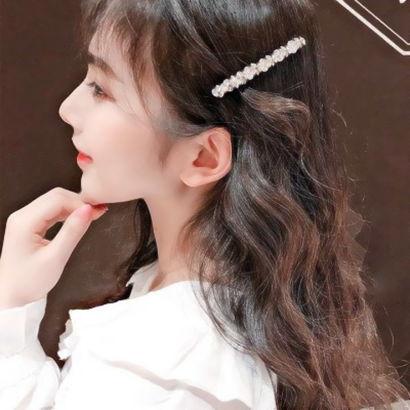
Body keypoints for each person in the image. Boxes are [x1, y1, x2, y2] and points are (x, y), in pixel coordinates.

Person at [0, 0, 409, 409]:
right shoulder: (246, 306)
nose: (67, 109)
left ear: (204, 157)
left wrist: (10, 315)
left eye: (102, 90)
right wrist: (15, 308)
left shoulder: (158, 373)